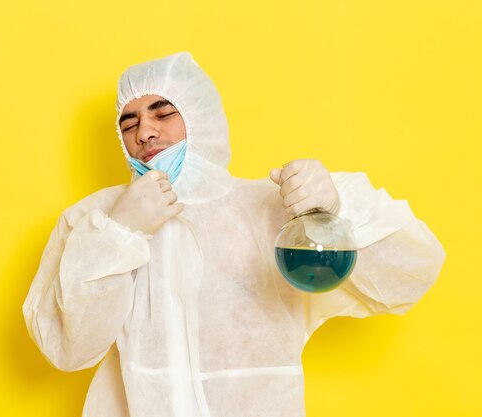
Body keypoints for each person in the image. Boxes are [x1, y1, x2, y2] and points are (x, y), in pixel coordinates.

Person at [23, 52, 445, 417]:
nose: (144, 133)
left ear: (201, 117)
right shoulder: (94, 219)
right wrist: (118, 234)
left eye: (163, 113)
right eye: (128, 123)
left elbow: (411, 275)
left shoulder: (270, 208)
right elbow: (69, 348)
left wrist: (336, 211)